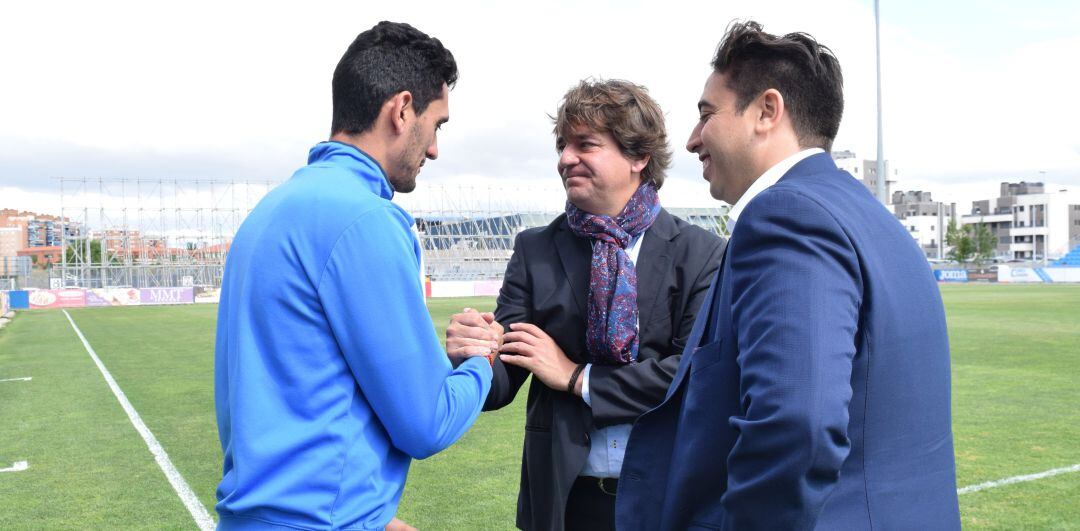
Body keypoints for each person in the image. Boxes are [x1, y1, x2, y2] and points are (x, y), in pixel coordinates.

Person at [615, 21, 961, 530]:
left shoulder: (787, 215)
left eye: (706, 115)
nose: (691, 140)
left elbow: (796, 425)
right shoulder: (865, 214)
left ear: (766, 112)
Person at [213, 21, 493, 531]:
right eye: (437, 125)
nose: (433, 149)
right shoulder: (366, 218)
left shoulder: (270, 211)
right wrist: (481, 361)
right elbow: (426, 423)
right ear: (402, 110)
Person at [447, 79, 724, 530]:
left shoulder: (700, 253)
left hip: (667, 498)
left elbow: (689, 378)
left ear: (639, 157)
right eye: (562, 145)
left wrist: (576, 377)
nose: (565, 158)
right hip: (565, 501)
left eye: (585, 145)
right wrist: (472, 353)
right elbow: (502, 379)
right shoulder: (535, 249)